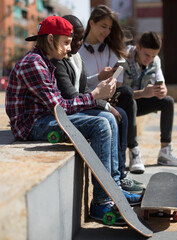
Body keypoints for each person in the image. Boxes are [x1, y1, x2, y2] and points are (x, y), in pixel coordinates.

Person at [5, 15, 142, 223]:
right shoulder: (34, 64)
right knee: (100, 124)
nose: (70, 48)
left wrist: (98, 97)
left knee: (108, 118)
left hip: (47, 117)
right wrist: (96, 95)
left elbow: (60, 105)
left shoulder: (46, 61)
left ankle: (114, 191)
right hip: (31, 126)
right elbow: (60, 107)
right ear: (50, 40)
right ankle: (101, 204)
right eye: (66, 42)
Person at [79, 5, 146, 185]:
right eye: (103, 26)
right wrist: (98, 79)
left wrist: (110, 82)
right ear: (91, 23)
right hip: (87, 97)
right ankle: (121, 173)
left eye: (110, 28)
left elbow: (119, 81)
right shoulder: (76, 51)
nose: (107, 31)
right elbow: (75, 85)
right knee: (121, 114)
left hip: (110, 95)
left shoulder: (112, 49)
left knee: (125, 94)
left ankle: (130, 158)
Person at [123, 31, 177, 173]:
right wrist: (143, 93)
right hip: (124, 105)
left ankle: (165, 152)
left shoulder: (155, 60)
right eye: (147, 55)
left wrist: (162, 90)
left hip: (141, 101)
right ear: (138, 47)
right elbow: (118, 94)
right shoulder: (124, 58)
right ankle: (134, 152)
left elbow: (162, 85)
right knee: (131, 102)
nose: (150, 59)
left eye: (154, 55)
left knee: (168, 102)